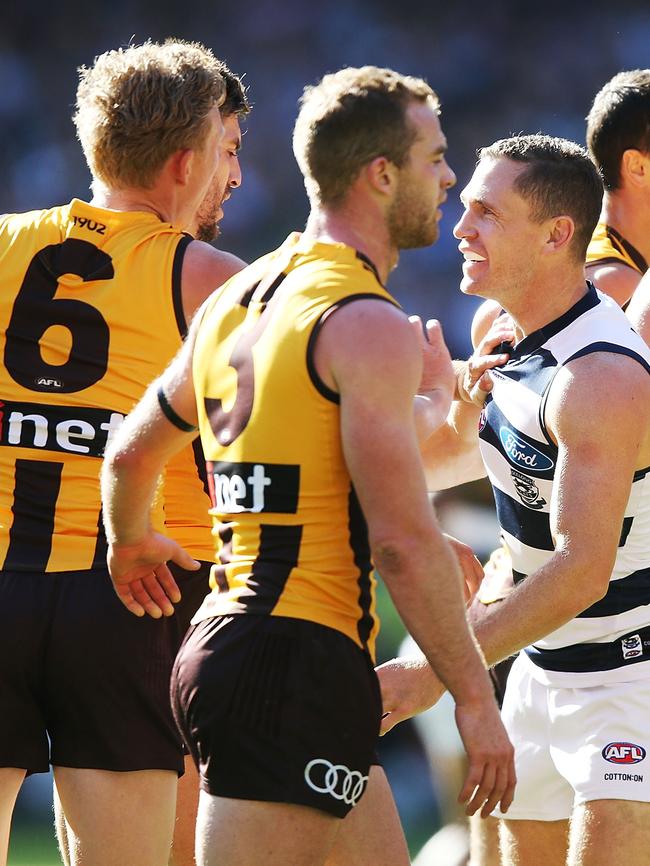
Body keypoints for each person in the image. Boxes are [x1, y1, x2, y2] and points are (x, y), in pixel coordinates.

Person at [100, 65, 516, 866]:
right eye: (434, 157)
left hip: (260, 651)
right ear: (380, 174)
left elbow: (131, 454)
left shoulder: (242, 293)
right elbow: (401, 542)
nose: (449, 177)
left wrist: (129, 541)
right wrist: (472, 697)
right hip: (290, 663)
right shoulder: (364, 318)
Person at [0, 39, 250, 866]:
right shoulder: (214, 278)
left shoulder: (3, 242)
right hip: (126, 593)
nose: (235, 179)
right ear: (184, 165)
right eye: (228, 153)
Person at [379, 134, 650, 866]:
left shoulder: (602, 376)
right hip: (532, 671)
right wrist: (446, 407)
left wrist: (434, 670)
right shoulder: (499, 335)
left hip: (630, 682)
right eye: (465, 208)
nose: (460, 228)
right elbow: (435, 468)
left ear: (559, 234)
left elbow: (582, 568)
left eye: (487, 214)